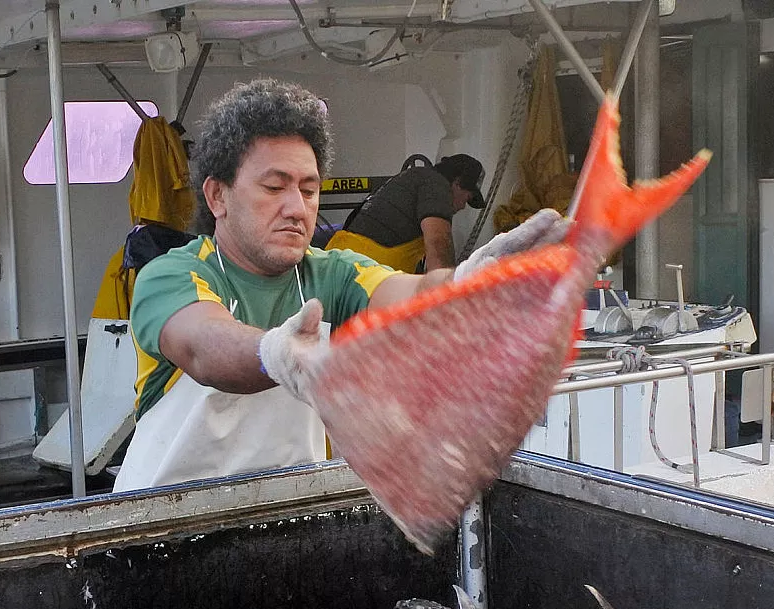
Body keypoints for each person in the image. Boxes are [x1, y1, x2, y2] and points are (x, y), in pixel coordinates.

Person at [117, 79, 565, 491]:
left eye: (309, 191)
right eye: (274, 187)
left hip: (286, 516)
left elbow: (405, 296)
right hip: (161, 528)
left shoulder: (330, 274)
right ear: (218, 196)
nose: (296, 208)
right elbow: (204, 347)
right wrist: (275, 354)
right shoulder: (172, 275)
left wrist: (466, 286)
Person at [325, 153, 487, 274]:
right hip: (361, 270)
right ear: (458, 183)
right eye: (467, 198)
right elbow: (439, 245)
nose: (463, 207)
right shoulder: (437, 185)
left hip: (340, 264)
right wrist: (448, 297)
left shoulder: (414, 178)